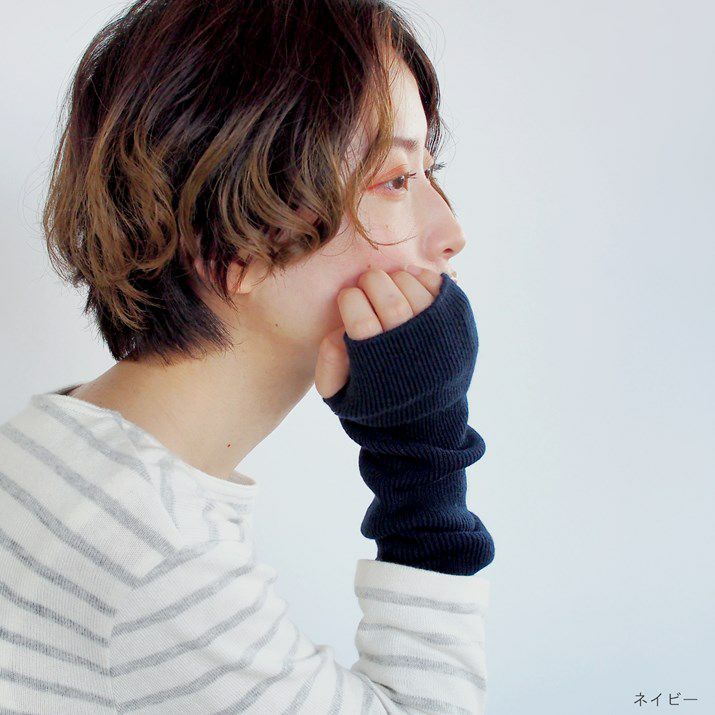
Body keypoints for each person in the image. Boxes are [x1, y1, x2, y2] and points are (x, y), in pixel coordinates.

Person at [0, 0, 495, 711]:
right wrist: (423, 457)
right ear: (235, 237)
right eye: (394, 180)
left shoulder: (62, 455)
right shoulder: (154, 556)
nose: (450, 231)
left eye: (428, 171)